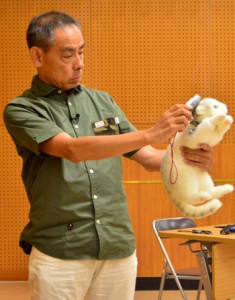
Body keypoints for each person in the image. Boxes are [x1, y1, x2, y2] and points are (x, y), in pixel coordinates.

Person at [3, 10, 213, 300]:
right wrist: (152, 132)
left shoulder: (103, 101)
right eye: (67, 55)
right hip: (60, 252)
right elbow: (71, 149)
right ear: (38, 56)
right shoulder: (22, 109)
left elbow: (150, 157)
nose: (79, 64)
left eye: (81, 52)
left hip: (117, 247)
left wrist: (189, 158)